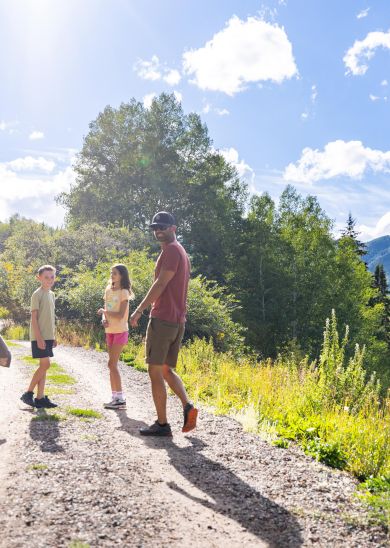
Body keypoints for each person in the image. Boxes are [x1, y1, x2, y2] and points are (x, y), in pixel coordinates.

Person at [130, 211, 198, 436]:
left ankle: (162, 424)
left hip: (164, 319)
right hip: (177, 321)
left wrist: (139, 310)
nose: (158, 230)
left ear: (174, 228)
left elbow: (160, 284)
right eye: (155, 227)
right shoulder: (181, 252)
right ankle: (188, 406)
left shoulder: (171, 251)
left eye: (163, 227)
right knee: (166, 369)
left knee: (155, 371)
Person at [20, 265, 58, 408]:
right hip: (39, 336)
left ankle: (40, 398)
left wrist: (53, 336)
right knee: (45, 364)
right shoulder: (37, 294)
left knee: (44, 366)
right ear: (39, 278)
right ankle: (28, 393)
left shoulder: (52, 294)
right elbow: (34, 319)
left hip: (48, 336)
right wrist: (39, 338)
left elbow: (51, 317)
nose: (49, 280)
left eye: (52, 277)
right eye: (46, 277)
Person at [98, 264, 134, 410]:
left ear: (122, 276)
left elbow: (120, 315)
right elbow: (105, 312)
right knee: (110, 364)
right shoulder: (108, 290)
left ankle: (120, 399)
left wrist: (104, 312)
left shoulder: (124, 292)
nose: (112, 275)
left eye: (115, 273)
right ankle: (115, 398)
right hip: (109, 331)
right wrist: (103, 318)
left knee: (112, 364)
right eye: (111, 272)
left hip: (120, 330)